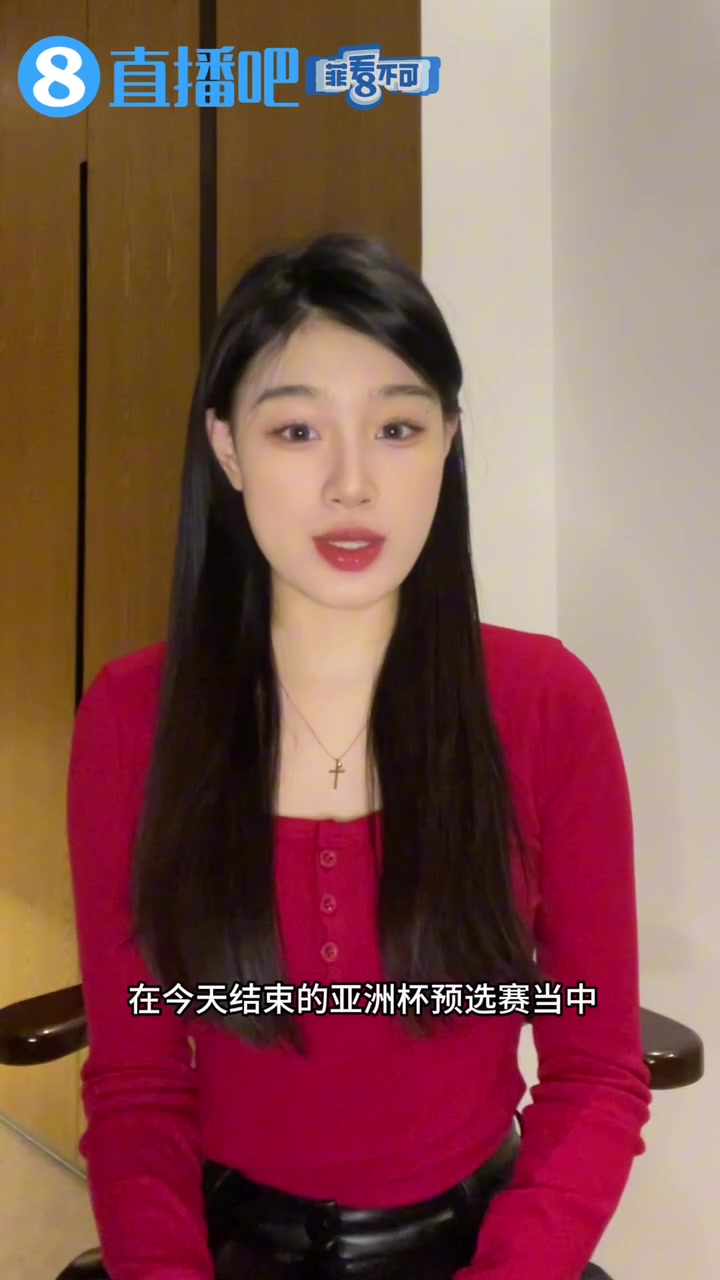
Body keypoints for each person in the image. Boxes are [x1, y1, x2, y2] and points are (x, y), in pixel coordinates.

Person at [66, 231, 652, 1280]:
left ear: (447, 443)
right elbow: (138, 1085)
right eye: (297, 429)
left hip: (479, 1248)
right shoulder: (130, 717)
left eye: (396, 427)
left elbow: (597, 1072)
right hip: (223, 1245)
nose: (352, 484)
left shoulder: (546, 704)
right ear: (228, 449)